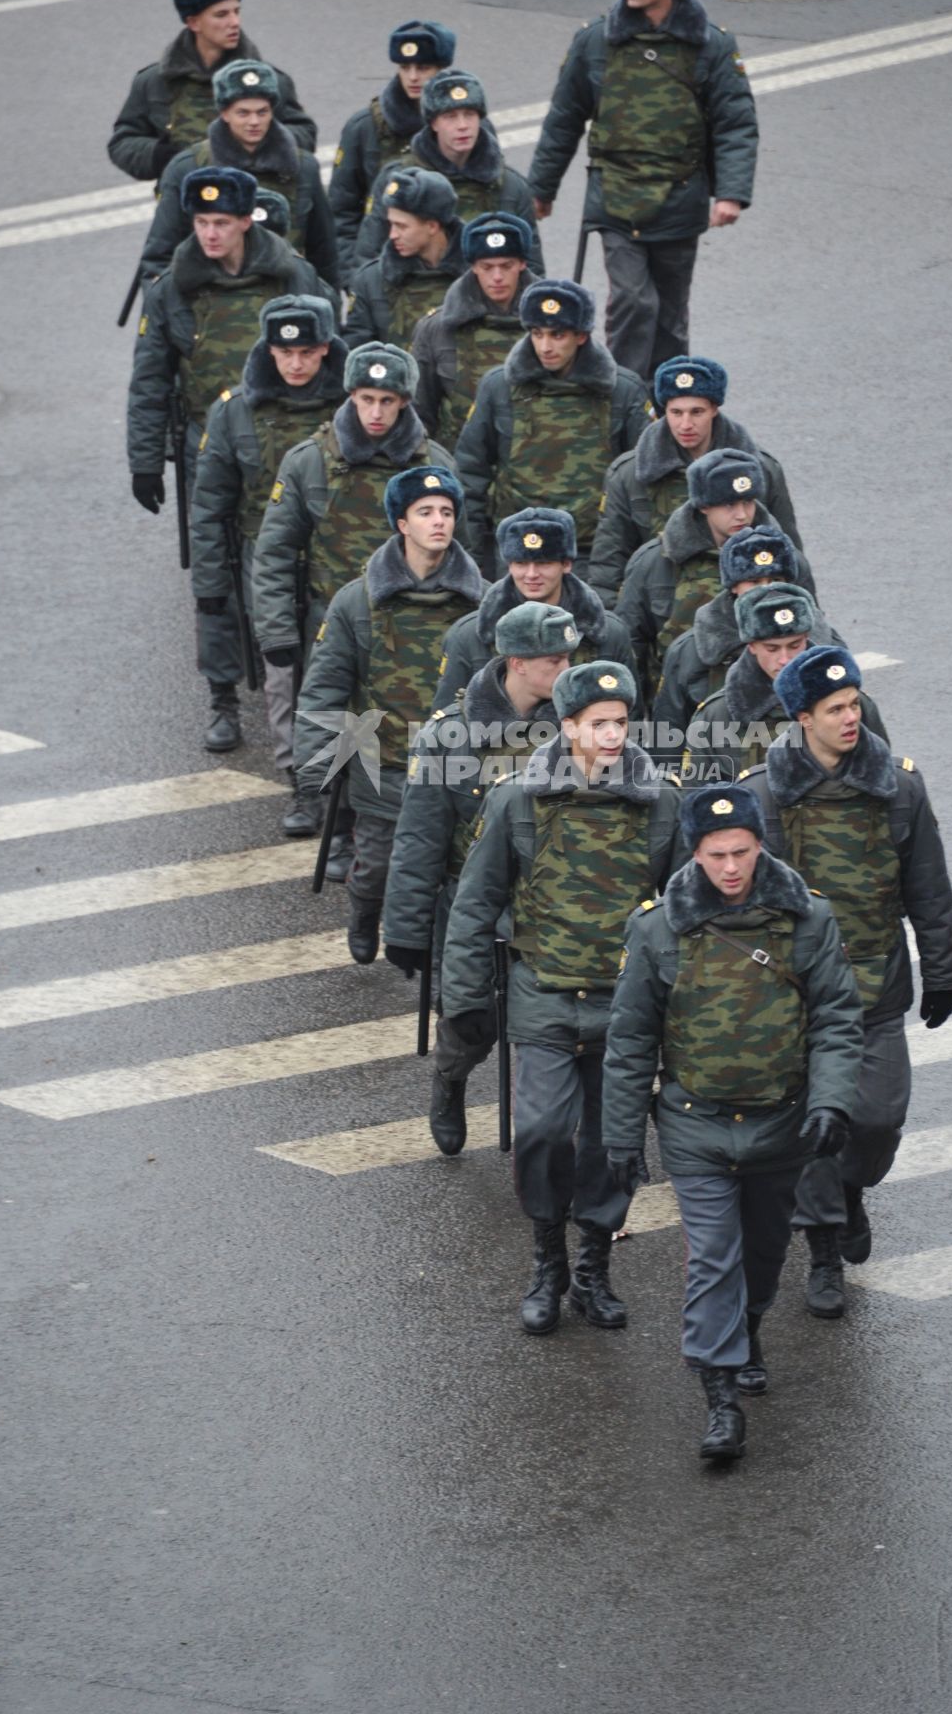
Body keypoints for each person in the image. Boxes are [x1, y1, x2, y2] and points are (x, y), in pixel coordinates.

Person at [602, 783, 862, 1461]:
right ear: (693, 853)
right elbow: (630, 1041)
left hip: (782, 1125)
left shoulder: (806, 919)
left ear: (759, 846)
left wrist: (831, 1101)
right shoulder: (657, 928)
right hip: (696, 1126)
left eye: (740, 852)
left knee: (765, 1253)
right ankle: (719, 1398)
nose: (729, 867)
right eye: (715, 854)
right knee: (714, 1258)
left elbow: (836, 1017)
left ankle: (745, 1332)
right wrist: (622, 1139)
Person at [442, 662, 681, 1336]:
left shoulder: (661, 802)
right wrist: (463, 1003)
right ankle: (547, 1260)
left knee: (611, 1144)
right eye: (598, 723)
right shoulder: (517, 800)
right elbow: (475, 905)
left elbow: (682, 908)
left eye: (620, 722)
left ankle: (592, 1270)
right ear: (567, 725)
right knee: (542, 1132)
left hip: (623, 1010)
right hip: (543, 996)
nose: (611, 735)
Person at [748, 648, 952, 1317]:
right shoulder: (762, 794)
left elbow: (926, 887)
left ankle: (849, 1193)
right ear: (802, 716)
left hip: (875, 984)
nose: (851, 717)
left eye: (854, 704)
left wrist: (942, 972)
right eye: (835, 709)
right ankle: (822, 1250)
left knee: (875, 1119)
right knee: (818, 1123)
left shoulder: (898, 785)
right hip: (796, 994)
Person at [126, 167, 336, 754]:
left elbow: (330, 354)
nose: (211, 233)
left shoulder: (292, 274)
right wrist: (145, 460)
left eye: (222, 222)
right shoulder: (172, 287)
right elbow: (150, 380)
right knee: (215, 575)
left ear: (246, 220)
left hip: (293, 432)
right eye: (201, 222)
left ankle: (306, 692)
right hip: (207, 441)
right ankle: (222, 697)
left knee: (301, 572)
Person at [382, 601, 577, 1155]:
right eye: (553, 659)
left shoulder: (573, 732)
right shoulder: (449, 736)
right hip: (469, 906)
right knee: (470, 1023)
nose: (566, 669)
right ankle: (450, 1080)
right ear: (516, 662)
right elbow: (420, 839)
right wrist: (406, 930)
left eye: (568, 657)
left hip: (549, 906)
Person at [252, 342, 462, 853]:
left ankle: (370, 821)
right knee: (339, 718)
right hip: (333, 614)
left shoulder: (434, 464)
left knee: (388, 720)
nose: (375, 412)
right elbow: (276, 552)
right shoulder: (309, 462)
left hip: (416, 617)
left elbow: (459, 547)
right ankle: (332, 815)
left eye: (387, 401)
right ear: (350, 395)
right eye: (366, 398)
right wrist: (277, 632)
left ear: (405, 403)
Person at [528, 0, 757, 380]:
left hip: (680, 196)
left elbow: (735, 123)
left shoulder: (709, 45)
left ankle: (668, 402)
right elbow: (565, 118)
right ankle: (625, 397)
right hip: (617, 196)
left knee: (670, 316)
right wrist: (542, 188)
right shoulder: (597, 41)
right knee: (634, 301)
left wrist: (730, 193)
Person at [291, 466, 486, 963]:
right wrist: (313, 769)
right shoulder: (357, 602)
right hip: (384, 762)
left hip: (454, 765)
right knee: (377, 865)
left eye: (446, 512)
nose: (438, 522)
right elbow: (325, 688)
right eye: (425, 513)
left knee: (450, 868)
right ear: (402, 523)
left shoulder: (481, 603)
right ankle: (363, 909)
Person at [189, 295, 346, 821]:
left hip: (341, 556)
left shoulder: (354, 407)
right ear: (269, 350)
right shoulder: (235, 410)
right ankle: (302, 779)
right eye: (284, 351)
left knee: (347, 673)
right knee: (282, 671)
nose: (296, 363)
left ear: (325, 349)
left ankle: (349, 787)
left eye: (306, 351)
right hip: (267, 560)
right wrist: (210, 588)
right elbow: (210, 506)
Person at [454, 278, 652, 577]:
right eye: (537, 333)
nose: (546, 346)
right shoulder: (498, 387)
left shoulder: (623, 391)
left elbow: (642, 479)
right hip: (516, 552)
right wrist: (473, 558)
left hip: (593, 552)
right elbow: (471, 473)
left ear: (581, 336)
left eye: (557, 335)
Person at [588, 356, 800, 606]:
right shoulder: (629, 474)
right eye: (676, 413)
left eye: (696, 412)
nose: (685, 424)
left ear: (714, 409)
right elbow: (609, 563)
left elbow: (789, 555)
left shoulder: (760, 469)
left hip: (747, 607)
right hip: (665, 610)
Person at [617, 450, 814, 701]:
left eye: (748, 502)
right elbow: (630, 643)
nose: (742, 515)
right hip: (692, 698)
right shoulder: (655, 562)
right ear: (703, 505)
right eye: (729, 504)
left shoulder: (788, 561)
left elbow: (813, 628)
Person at [139, 59, 338, 287]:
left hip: (286, 307)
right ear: (224, 113)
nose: (254, 122)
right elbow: (158, 257)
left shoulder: (303, 167)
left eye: (262, 112)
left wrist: (327, 308)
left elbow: (324, 253)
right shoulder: (189, 168)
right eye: (243, 113)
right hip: (211, 308)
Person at [109, 0, 314, 183]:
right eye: (221, 14)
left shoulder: (267, 80)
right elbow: (123, 142)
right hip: (185, 203)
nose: (234, 22)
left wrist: (265, 143)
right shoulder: (155, 82)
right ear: (193, 22)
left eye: (237, 11)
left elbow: (304, 132)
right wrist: (166, 156)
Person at [431, 505, 637, 711]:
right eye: (521, 563)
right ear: (509, 565)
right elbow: (446, 726)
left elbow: (631, 722)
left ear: (566, 564)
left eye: (543, 563)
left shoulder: (609, 633)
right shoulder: (470, 634)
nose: (531, 574)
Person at [680, 583, 887, 787]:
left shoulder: (852, 706)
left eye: (794, 645)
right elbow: (695, 802)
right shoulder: (716, 716)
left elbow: (882, 779)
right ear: (751, 646)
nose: (785, 659)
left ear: (806, 639)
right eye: (772, 649)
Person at [355, 69, 543, 273]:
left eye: (469, 115)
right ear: (433, 123)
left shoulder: (510, 186)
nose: (462, 126)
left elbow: (531, 270)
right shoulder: (400, 180)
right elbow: (369, 258)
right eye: (450, 116)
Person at [653, 526, 828, 742]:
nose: (766, 590)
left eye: (775, 580)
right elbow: (667, 738)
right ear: (734, 587)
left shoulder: (824, 644)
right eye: (754, 583)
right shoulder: (691, 651)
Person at [328, 19, 456, 278]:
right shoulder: (365, 128)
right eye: (404, 67)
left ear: (441, 69)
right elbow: (342, 212)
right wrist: (354, 280)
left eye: (423, 67)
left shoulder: (468, 127)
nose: (413, 76)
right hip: (386, 275)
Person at [412, 211, 536, 444]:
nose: (497, 276)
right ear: (474, 267)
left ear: (522, 264)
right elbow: (420, 411)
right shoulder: (437, 328)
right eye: (487, 267)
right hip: (458, 456)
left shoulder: (548, 324)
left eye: (506, 266)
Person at [343, 168, 465, 351]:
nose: (392, 235)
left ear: (432, 226)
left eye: (402, 226)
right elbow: (358, 355)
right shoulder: (371, 281)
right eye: (391, 224)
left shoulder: (481, 273)